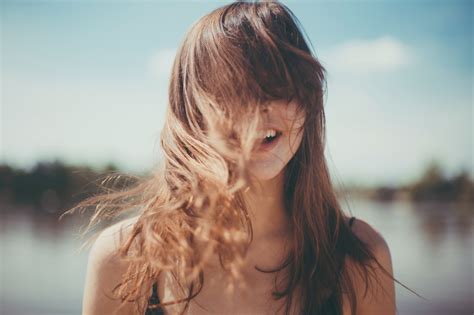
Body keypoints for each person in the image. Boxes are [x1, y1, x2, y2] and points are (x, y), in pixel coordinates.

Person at [75, 1, 399, 314]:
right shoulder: (123, 258)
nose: (258, 110)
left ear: (308, 102)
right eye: (230, 90)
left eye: (279, 85)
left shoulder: (360, 257)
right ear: (190, 113)